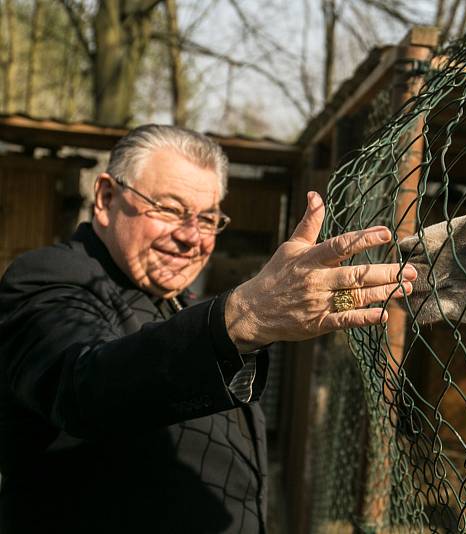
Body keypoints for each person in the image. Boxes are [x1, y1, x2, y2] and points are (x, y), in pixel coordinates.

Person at [0, 124, 416, 534]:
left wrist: (337, 298)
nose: (190, 237)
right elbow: (84, 386)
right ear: (107, 197)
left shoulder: (173, 298)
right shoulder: (49, 278)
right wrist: (245, 315)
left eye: (207, 218)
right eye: (168, 209)